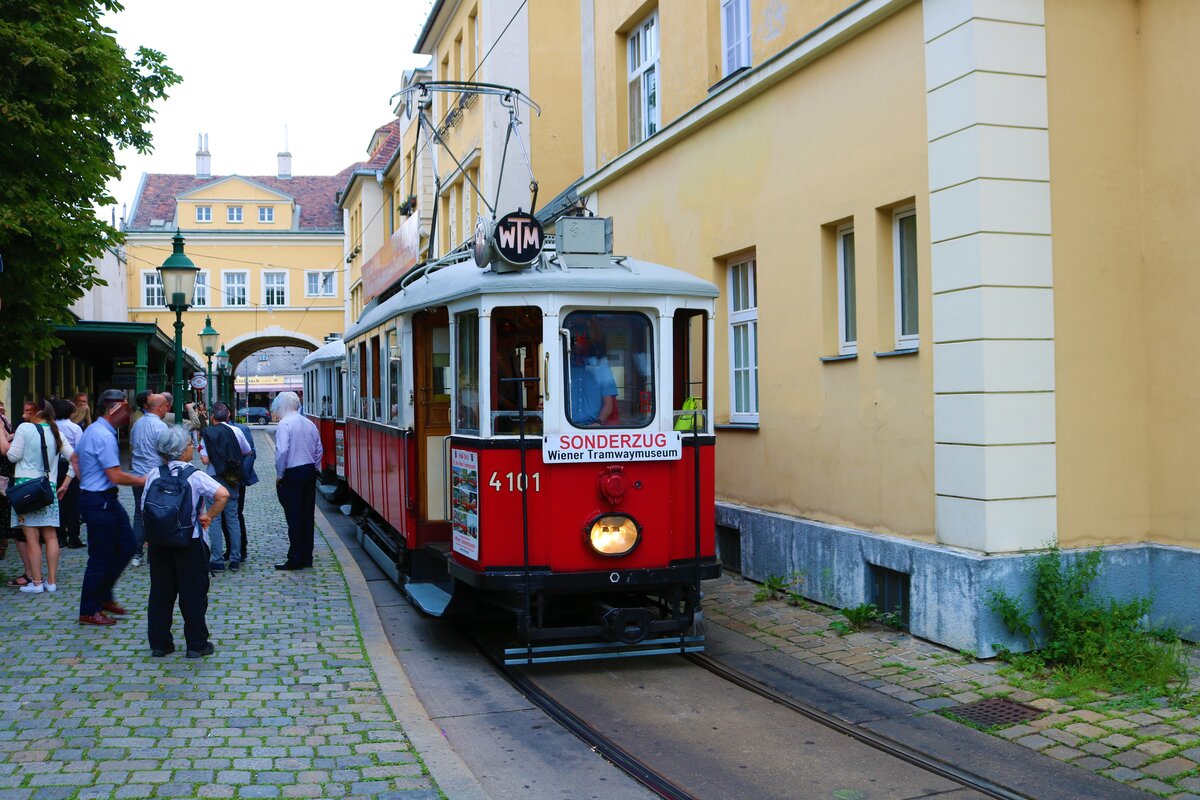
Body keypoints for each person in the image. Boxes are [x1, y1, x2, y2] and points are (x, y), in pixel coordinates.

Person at [143, 426, 227, 658]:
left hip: (160, 544)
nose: (192, 448)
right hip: (189, 542)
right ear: (181, 451)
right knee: (193, 595)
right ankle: (196, 644)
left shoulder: (154, 475)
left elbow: (144, 509)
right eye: (190, 445)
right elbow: (223, 495)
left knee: (160, 594)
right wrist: (208, 516)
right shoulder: (195, 476)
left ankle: (160, 643)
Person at [75, 389, 145, 626]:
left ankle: (103, 596)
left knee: (127, 545)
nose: (129, 413)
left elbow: (75, 458)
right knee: (100, 557)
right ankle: (88, 609)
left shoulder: (95, 430)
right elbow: (115, 475)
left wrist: (86, 480)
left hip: (104, 499)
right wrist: (143, 480)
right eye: (126, 408)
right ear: (114, 408)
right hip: (100, 501)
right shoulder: (103, 435)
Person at [6, 401, 76, 594]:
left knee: (32, 538)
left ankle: (37, 583)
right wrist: (65, 484)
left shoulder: (25, 428)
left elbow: (12, 456)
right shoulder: (57, 433)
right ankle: (51, 582)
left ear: (37, 413)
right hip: (48, 488)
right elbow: (76, 459)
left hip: (24, 489)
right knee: (51, 535)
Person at [271, 391, 322, 570]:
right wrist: (313, 469)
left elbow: (282, 451)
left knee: (293, 517)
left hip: (292, 472)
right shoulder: (309, 423)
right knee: (307, 516)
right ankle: (307, 556)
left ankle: (295, 557)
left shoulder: (285, 424)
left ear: (282, 406)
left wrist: (280, 473)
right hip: (309, 470)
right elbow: (319, 450)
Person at [197, 402, 251, 572]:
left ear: (212, 416)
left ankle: (217, 560)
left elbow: (205, 460)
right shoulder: (236, 431)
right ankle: (235, 559)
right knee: (233, 517)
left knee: (214, 520)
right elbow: (247, 450)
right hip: (232, 478)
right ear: (228, 416)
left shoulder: (207, 434)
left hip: (213, 479)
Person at [128, 392, 169, 566]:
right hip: (156, 476)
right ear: (160, 408)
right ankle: (158, 553)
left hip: (138, 475)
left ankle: (137, 554)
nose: (168, 409)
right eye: (166, 406)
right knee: (160, 513)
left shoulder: (137, 424)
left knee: (139, 515)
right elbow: (166, 453)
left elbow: (131, 447)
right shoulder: (160, 427)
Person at [51, 399, 85, 549]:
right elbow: (79, 450)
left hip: (54, 466)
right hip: (70, 465)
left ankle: (60, 536)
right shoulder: (75, 428)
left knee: (57, 502)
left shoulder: (51, 427)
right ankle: (73, 537)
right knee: (73, 503)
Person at [567, 330, 618, 427]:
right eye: (575, 341)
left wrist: (598, 423)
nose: (578, 345)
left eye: (582, 341)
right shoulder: (562, 368)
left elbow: (608, 403)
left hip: (593, 429)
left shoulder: (602, 368)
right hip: (566, 427)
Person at [229, 416, 258, 563]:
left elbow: (251, 453)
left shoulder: (241, 429)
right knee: (227, 516)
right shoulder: (213, 431)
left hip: (236, 478)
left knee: (236, 513)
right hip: (225, 478)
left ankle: (241, 548)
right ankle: (231, 548)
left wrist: (241, 475)